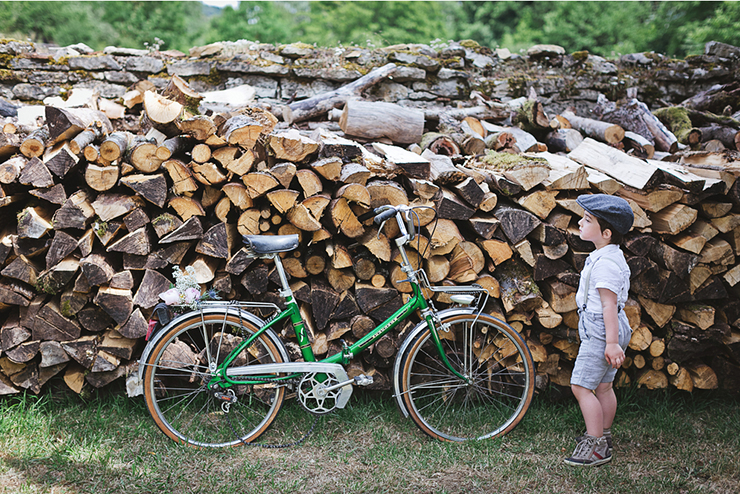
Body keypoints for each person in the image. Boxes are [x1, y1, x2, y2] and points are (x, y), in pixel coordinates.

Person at [564, 194, 634, 467]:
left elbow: (608, 305)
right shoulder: (608, 254)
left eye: (587, 219)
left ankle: (594, 445)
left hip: (603, 330)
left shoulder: (605, 263)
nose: (580, 222)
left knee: (581, 387)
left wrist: (611, 343)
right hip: (609, 326)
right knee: (604, 387)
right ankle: (604, 438)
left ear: (606, 232)